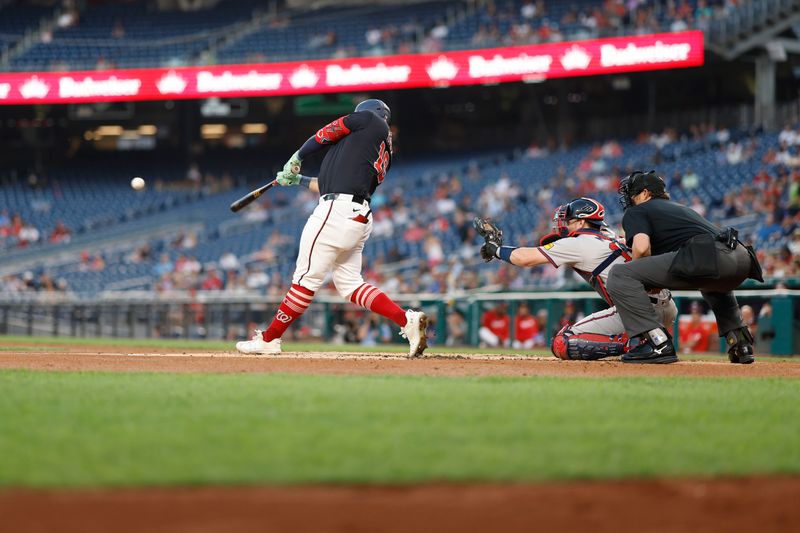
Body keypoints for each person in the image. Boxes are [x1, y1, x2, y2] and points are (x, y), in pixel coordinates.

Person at [235, 99, 428, 356]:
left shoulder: (370, 120)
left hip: (336, 212)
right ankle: (406, 320)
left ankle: (269, 339)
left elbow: (326, 133)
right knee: (350, 284)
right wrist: (298, 180)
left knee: (305, 279)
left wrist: (298, 156)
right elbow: (329, 184)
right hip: (357, 215)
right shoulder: (376, 148)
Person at [475, 197, 677, 360]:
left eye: (568, 221)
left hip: (638, 309)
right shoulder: (611, 236)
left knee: (563, 341)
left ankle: (634, 344)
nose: (563, 225)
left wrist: (496, 249)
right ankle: (650, 338)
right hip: (665, 305)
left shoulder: (579, 242)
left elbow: (525, 259)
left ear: (581, 221)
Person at [607, 170, 763, 364]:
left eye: (633, 193)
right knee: (713, 284)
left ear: (645, 194)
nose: (630, 198)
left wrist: (645, 280)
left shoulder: (637, 211)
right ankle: (741, 342)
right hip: (741, 258)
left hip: (709, 256)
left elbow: (641, 248)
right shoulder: (680, 208)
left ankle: (656, 343)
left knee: (620, 274)